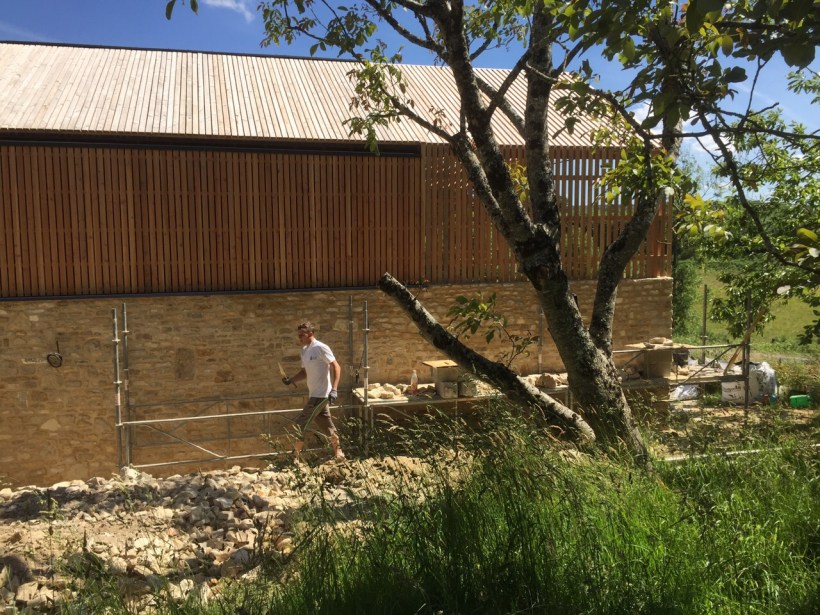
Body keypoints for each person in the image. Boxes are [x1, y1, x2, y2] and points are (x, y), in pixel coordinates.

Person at [281, 321, 344, 460]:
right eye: (298, 335)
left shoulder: (321, 347)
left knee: (300, 424)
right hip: (314, 394)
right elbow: (304, 372)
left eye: (302, 334)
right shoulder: (304, 351)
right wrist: (292, 380)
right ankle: (339, 453)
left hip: (321, 395)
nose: (299, 337)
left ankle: (295, 458)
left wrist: (334, 389)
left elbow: (336, 367)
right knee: (328, 426)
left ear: (310, 333)